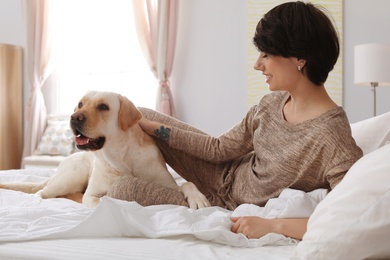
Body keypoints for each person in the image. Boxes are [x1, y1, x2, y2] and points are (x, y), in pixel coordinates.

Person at [107, 1, 363, 240]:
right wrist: (152, 129)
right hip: (221, 172)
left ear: (299, 59)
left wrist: (274, 226)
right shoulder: (271, 104)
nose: (257, 64)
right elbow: (218, 149)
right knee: (140, 114)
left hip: (224, 205)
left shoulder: (332, 136)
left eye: (266, 54)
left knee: (120, 190)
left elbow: (349, 217)